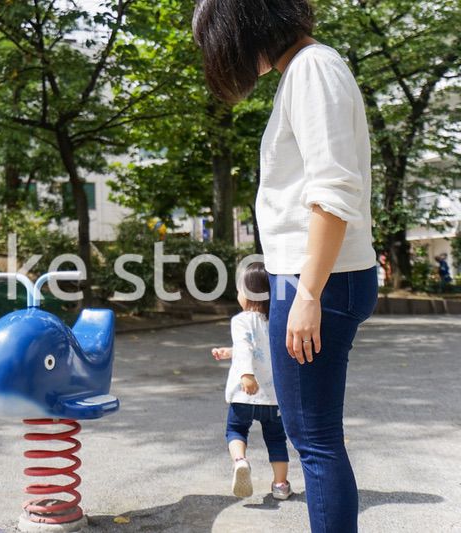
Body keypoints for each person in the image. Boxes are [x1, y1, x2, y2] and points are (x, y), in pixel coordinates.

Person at [193, 2, 379, 532]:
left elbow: (333, 191)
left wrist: (308, 293)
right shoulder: (303, 70)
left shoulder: (312, 69)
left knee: (315, 440)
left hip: (318, 280)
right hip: (309, 278)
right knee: (312, 436)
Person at [211, 262, 291, 500]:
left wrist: (246, 374)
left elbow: (246, 346)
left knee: (235, 430)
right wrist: (230, 352)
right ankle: (280, 485)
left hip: (243, 394)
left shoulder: (241, 320)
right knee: (276, 440)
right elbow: (262, 350)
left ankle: (240, 461)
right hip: (273, 397)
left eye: (239, 289)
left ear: (248, 293)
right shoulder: (277, 320)